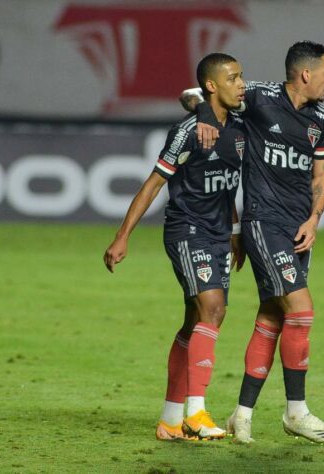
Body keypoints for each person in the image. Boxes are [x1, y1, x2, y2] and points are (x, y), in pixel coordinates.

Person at [181, 41, 324, 443]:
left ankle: (243, 415)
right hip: (262, 223)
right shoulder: (259, 97)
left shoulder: (321, 118)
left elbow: (320, 176)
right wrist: (202, 113)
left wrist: (314, 218)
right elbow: (196, 93)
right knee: (301, 311)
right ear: (306, 74)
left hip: (297, 227)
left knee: (274, 315)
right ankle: (296, 412)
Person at [104, 52, 246, 441]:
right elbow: (153, 184)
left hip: (218, 233)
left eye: (241, 77)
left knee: (195, 321)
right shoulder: (186, 132)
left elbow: (227, 185)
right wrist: (123, 235)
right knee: (213, 310)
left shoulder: (239, 124)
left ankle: (169, 420)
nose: (242, 84)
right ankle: (196, 413)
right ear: (214, 85)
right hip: (187, 230)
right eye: (233, 78)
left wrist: (234, 234)